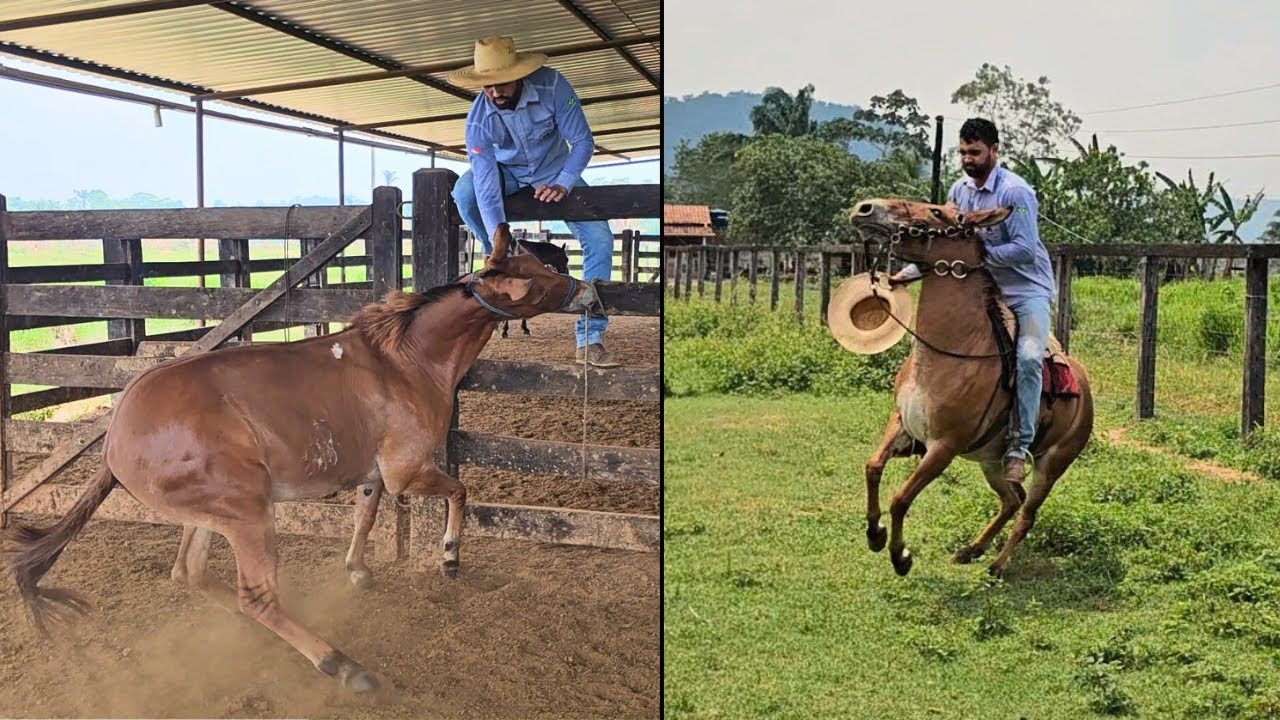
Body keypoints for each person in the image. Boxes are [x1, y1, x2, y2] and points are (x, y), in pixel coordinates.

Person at [890, 118, 1056, 483]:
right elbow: (948, 245)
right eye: (963, 152)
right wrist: (906, 275)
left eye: (975, 152)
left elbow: (1026, 251)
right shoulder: (959, 191)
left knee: (1028, 357)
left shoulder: (1016, 192)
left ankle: (1019, 445)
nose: (968, 159)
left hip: (1025, 291)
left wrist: (979, 257)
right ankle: (919, 426)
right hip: (980, 288)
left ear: (994, 151)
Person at [446, 36, 618, 367]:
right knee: (464, 192)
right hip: (508, 173)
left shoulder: (553, 86)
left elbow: (582, 141)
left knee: (600, 238)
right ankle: (500, 256)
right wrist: (498, 233)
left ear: (520, 75)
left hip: (556, 169)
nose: (495, 93)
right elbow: (484, 180)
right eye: (487, 86)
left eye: (502, 84)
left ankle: (590, 337)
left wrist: (564, 183)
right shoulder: (478, 119)